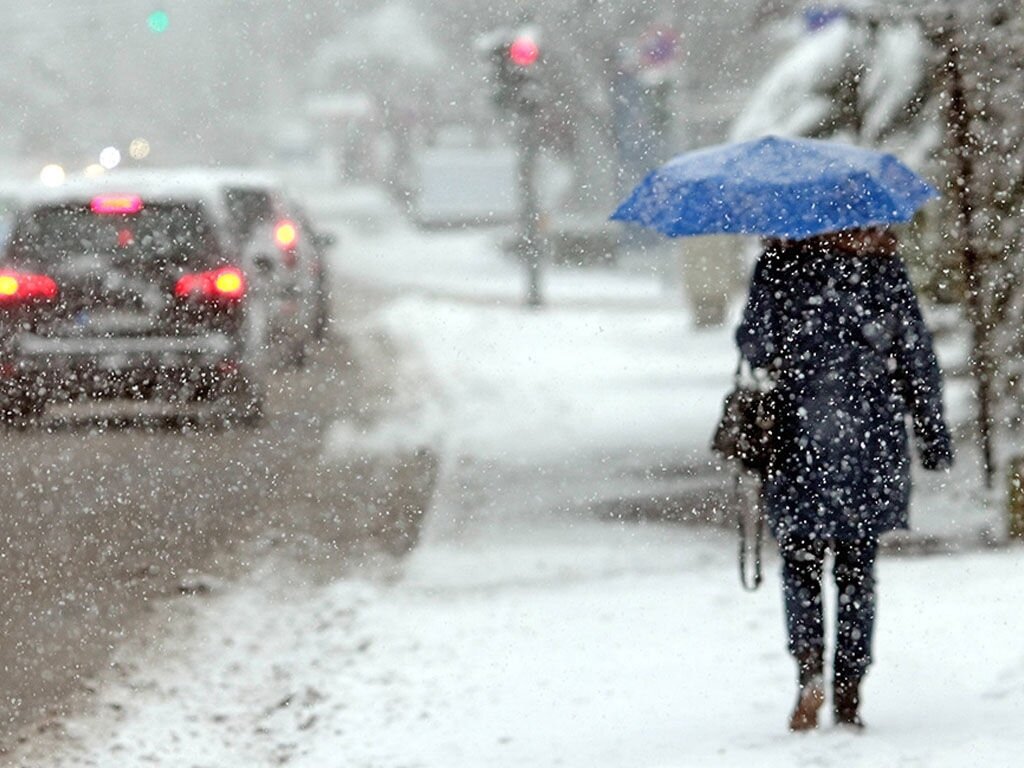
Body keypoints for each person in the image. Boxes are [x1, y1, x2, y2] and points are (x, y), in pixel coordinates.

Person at [735, 227, 953, 731]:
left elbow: (755, 344)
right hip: (869, 438)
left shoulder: (780, 265)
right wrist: (931, 434)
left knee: (801, 564)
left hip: (799, 436)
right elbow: (917, 356)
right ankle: (850, 683)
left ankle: (809, 668)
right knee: (858, 570)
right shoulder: (882, 267)